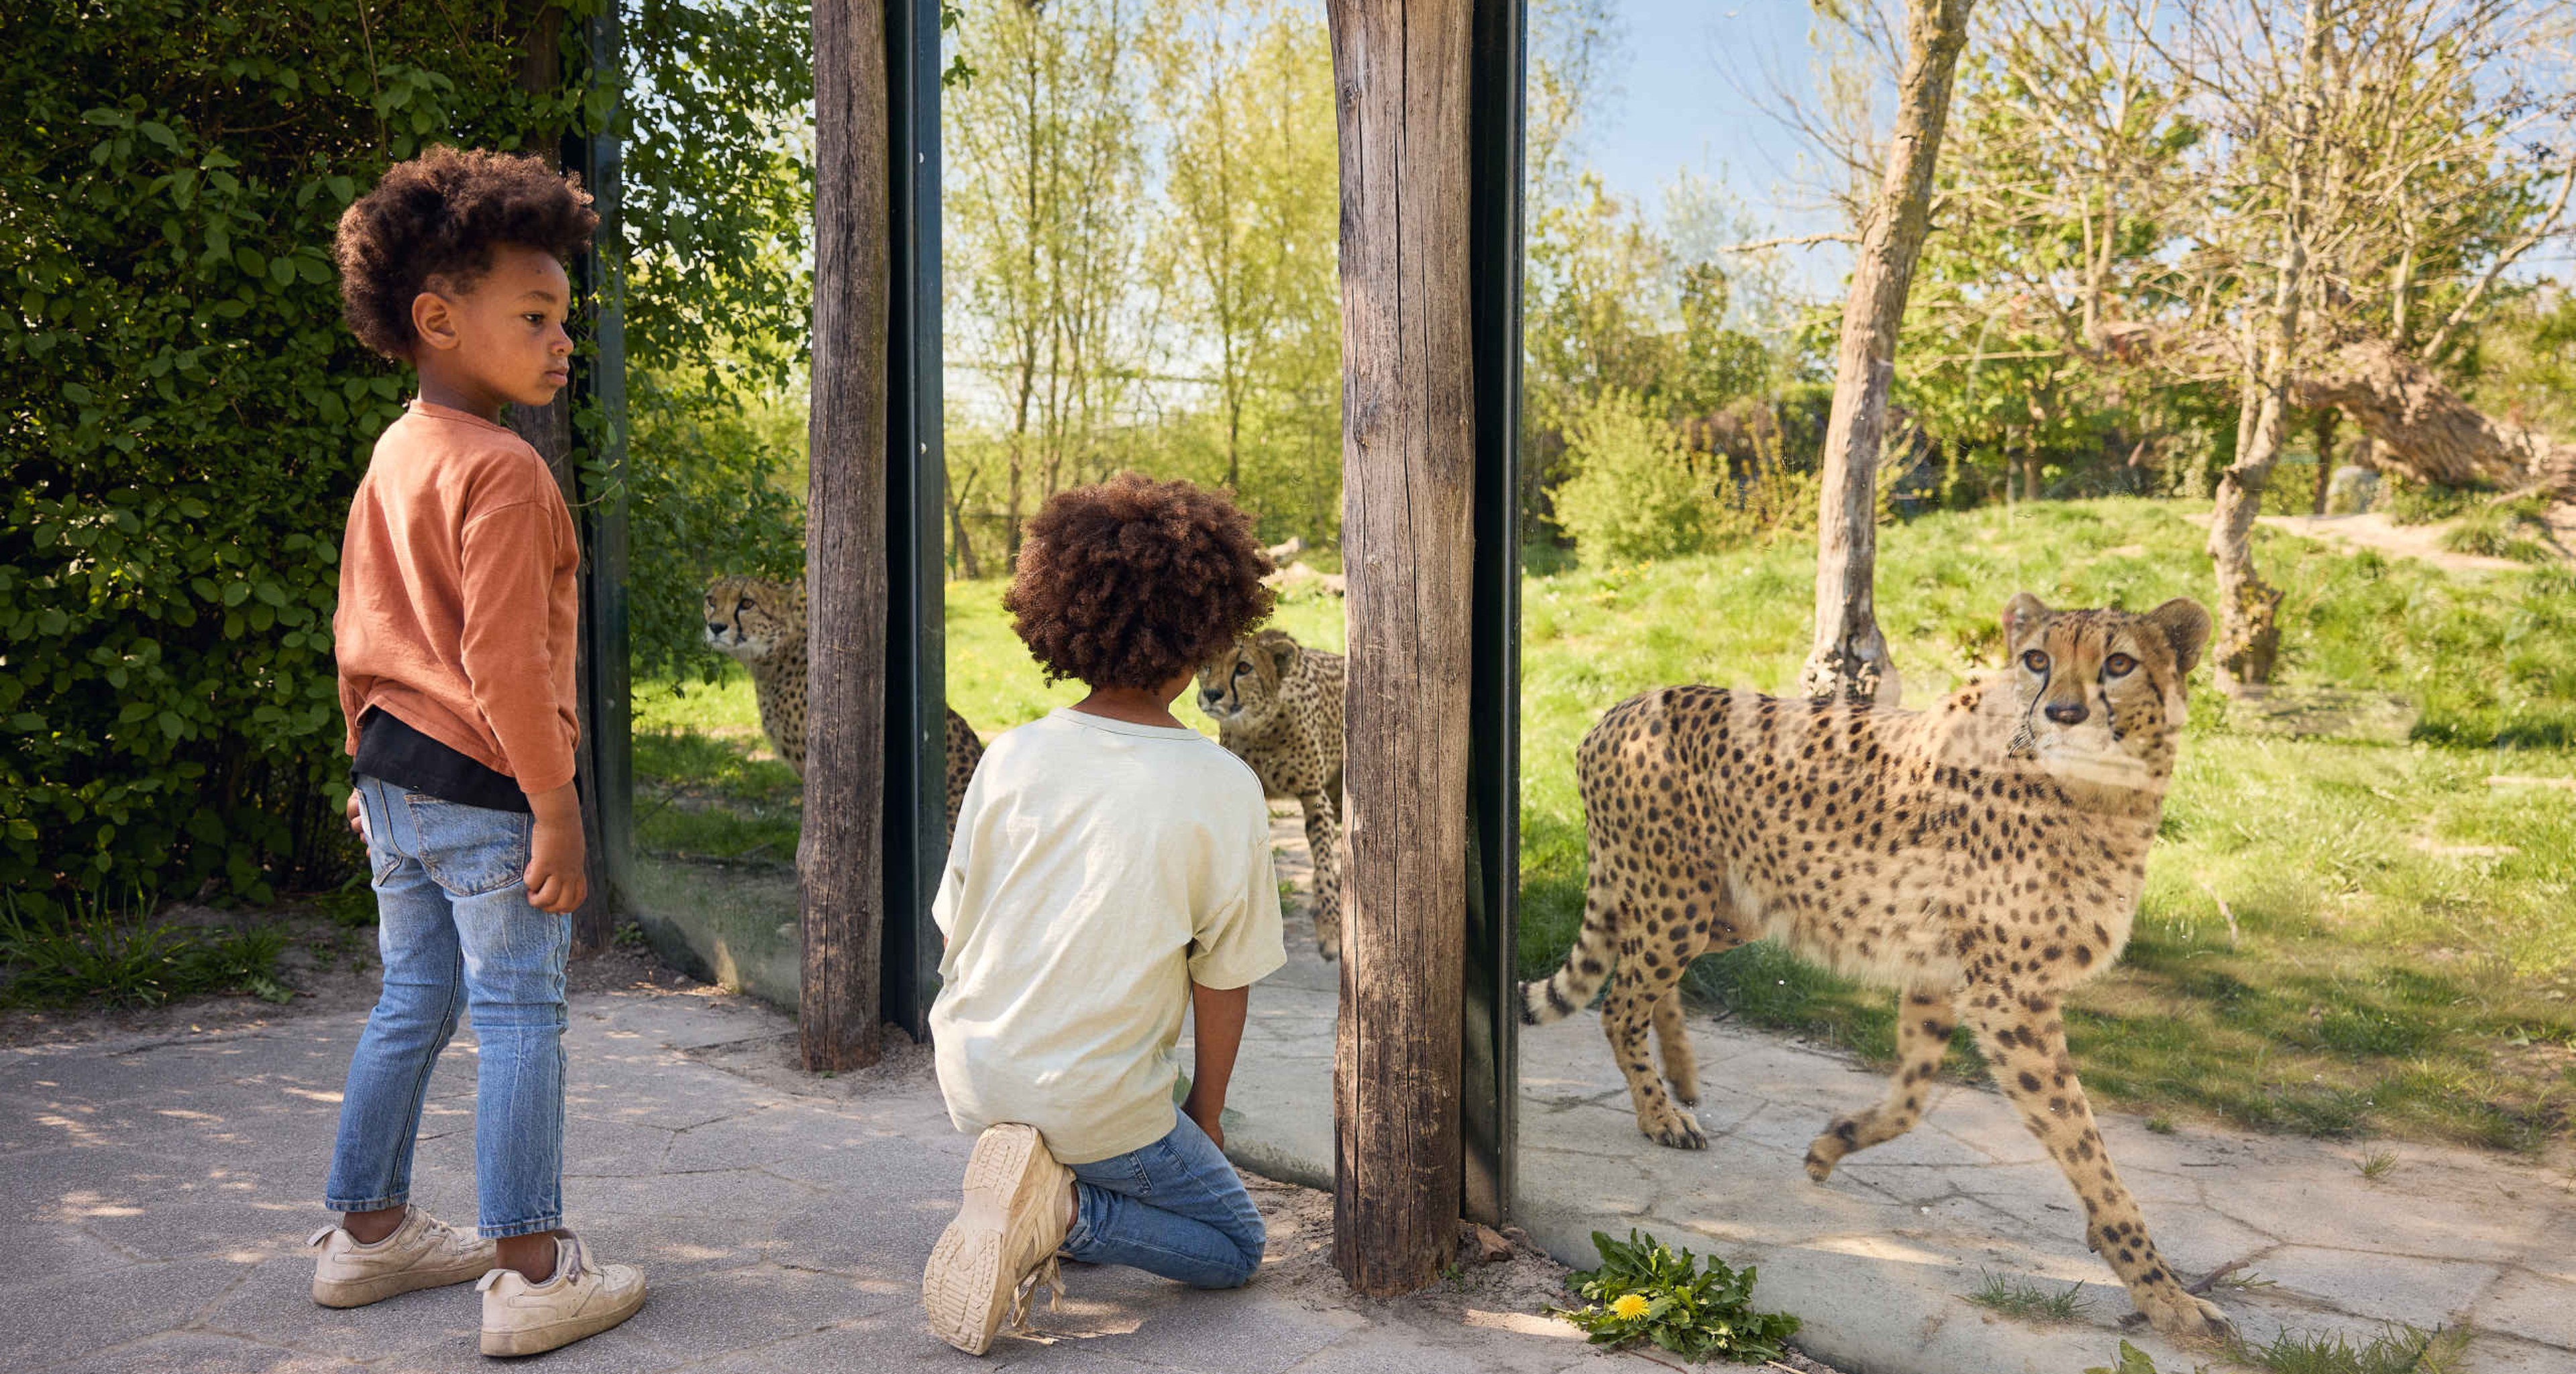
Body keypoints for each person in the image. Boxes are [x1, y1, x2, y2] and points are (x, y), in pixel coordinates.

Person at [307, 146, 645, 1358]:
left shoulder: (398, 454)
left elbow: (361, 633)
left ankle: (368, 1236)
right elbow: (505, 667)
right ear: (438, 321)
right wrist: (555, 806)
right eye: (537, 316)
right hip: (494, 789)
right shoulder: (505, 472)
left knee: (412, 998)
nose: (563, 341)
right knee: (518, 1015)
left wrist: (369, 773)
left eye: (565, 318)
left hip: (396, 780)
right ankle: (533, 1269)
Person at [920, 474, 1287, 1356]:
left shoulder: (1009, 757)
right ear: (1207, 633)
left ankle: (1037, 1177)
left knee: (1109, 1098)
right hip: (1096, 1099)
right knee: (1236, 1243)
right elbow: (1223, 981)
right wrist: (1206, 1115)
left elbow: (954, 926)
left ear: (1066, 619)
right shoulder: (1223, 787)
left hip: (974, 1074)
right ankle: (1064, 1210)